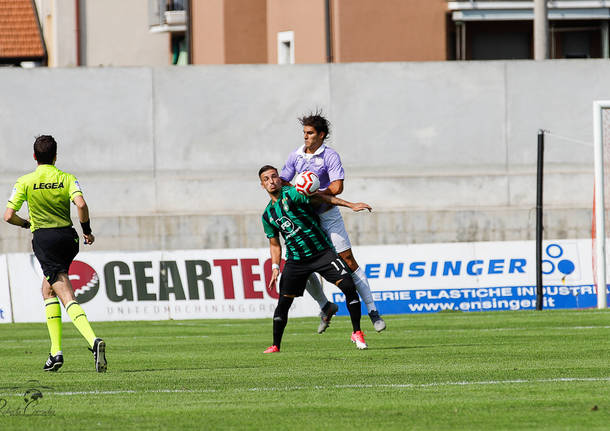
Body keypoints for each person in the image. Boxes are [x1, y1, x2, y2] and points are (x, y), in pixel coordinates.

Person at [4, 135, 107, 373]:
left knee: (65, 293)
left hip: (45, 240)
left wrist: (25, 224)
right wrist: (87, 231)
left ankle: (93, 341)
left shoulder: (25, 181)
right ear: (55, 156)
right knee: (47, 288)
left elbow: (8, 215)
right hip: (68, 239)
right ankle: (55, 353)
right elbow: (80, 205)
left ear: (34, 156)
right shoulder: (67, 178)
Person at [280, 112, 386, 333]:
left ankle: (373, 310)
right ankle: (325, 306)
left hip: (328, 214)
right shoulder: (295, 156)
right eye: (304, 133)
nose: (306, 137)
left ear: (321, 135)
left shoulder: (330, 156)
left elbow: (337, 187)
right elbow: (283, 182)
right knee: (303, 266)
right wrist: (289, 188)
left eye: (310, 133)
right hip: (306, 219)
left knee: (347, 259)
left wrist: (314, 192)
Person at [259, 165, 371, 352]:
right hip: (296, 260)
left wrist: (350, 205)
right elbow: (274, 244)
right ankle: (275, 345)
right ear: (262, 185)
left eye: (274, 177)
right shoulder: (267, 215)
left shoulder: (293, 193)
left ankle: (357, 332)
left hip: (322, 252)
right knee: (283, 303)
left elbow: (320, 197)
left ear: (280, 179)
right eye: (266, 179)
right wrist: (275, 267)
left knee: (349, 286)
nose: (271, 181)